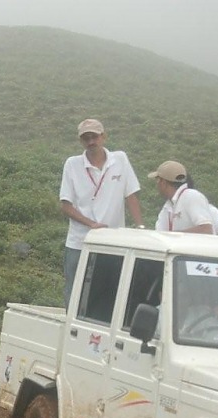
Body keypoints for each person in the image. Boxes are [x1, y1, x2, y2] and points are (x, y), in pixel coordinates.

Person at [59, 118, 144, 308]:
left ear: (103, 136)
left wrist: (140, 227)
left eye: (94, 136)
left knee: (109, 291)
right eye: (86, 138)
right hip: (79, 242)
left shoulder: (120, 159)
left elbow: (131, 195)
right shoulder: (72, 164)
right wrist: (91, 224)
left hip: (112, 243)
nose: (91, 141)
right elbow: (65, 205)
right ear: (81, 141)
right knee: (74, 291)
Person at [149, 161, 213, 235]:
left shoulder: (192, 196)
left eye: (157, 180)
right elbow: (160, 234)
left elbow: (206, 230)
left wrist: (173, 236)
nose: (157, 185)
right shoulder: (168, 206)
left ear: (163, 183)